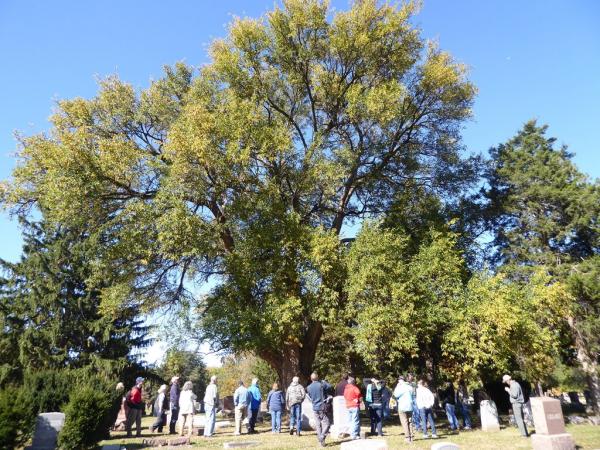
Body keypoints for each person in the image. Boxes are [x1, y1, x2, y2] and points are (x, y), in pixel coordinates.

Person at [307, 372, 332, 447]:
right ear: (317, 378)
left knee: (318, 425)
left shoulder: (308, 387)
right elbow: (330, 387)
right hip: (322, 407)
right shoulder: (322, 384)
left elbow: (310, 397)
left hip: (315, 408)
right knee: (327, 423)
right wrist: (324, 382)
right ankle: (322, 437)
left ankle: (321, 442)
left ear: (311, 379)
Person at [394, 376, 414, 443]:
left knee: (404, 422)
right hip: (410, 406)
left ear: (400, 380)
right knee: (410, 422)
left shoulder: (400, 387)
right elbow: (413, 395)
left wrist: (397, 387)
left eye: (399, 379)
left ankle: (407, 437)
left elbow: (395, 395)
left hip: (402, 406)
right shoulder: (410, 387)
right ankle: (411, 436)